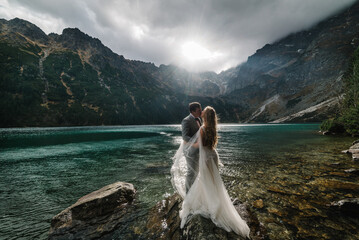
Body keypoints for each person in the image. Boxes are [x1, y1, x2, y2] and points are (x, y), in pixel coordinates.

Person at [171, 106, 250, 238]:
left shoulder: (202, 128)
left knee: (205, 179)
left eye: (203, 111)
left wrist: (186, 143)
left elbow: (197, 145)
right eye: (200, 110)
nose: (201, 112)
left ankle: (210, 203)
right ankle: (217, 200)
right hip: (213, 155)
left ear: (205, 116)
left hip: (206, 157)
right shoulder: (213, 127)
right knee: (214, 180)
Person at [181, 102, 202, 192]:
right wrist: (195, 143)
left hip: (198, 150)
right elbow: (185, 136)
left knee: (196, 171)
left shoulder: (199, 119)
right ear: (192, 111)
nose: (201, 111)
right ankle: (188, 193)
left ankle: (194, 191)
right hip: (189, 151)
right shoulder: (186, 120)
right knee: (191, 172)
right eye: (198, 110)